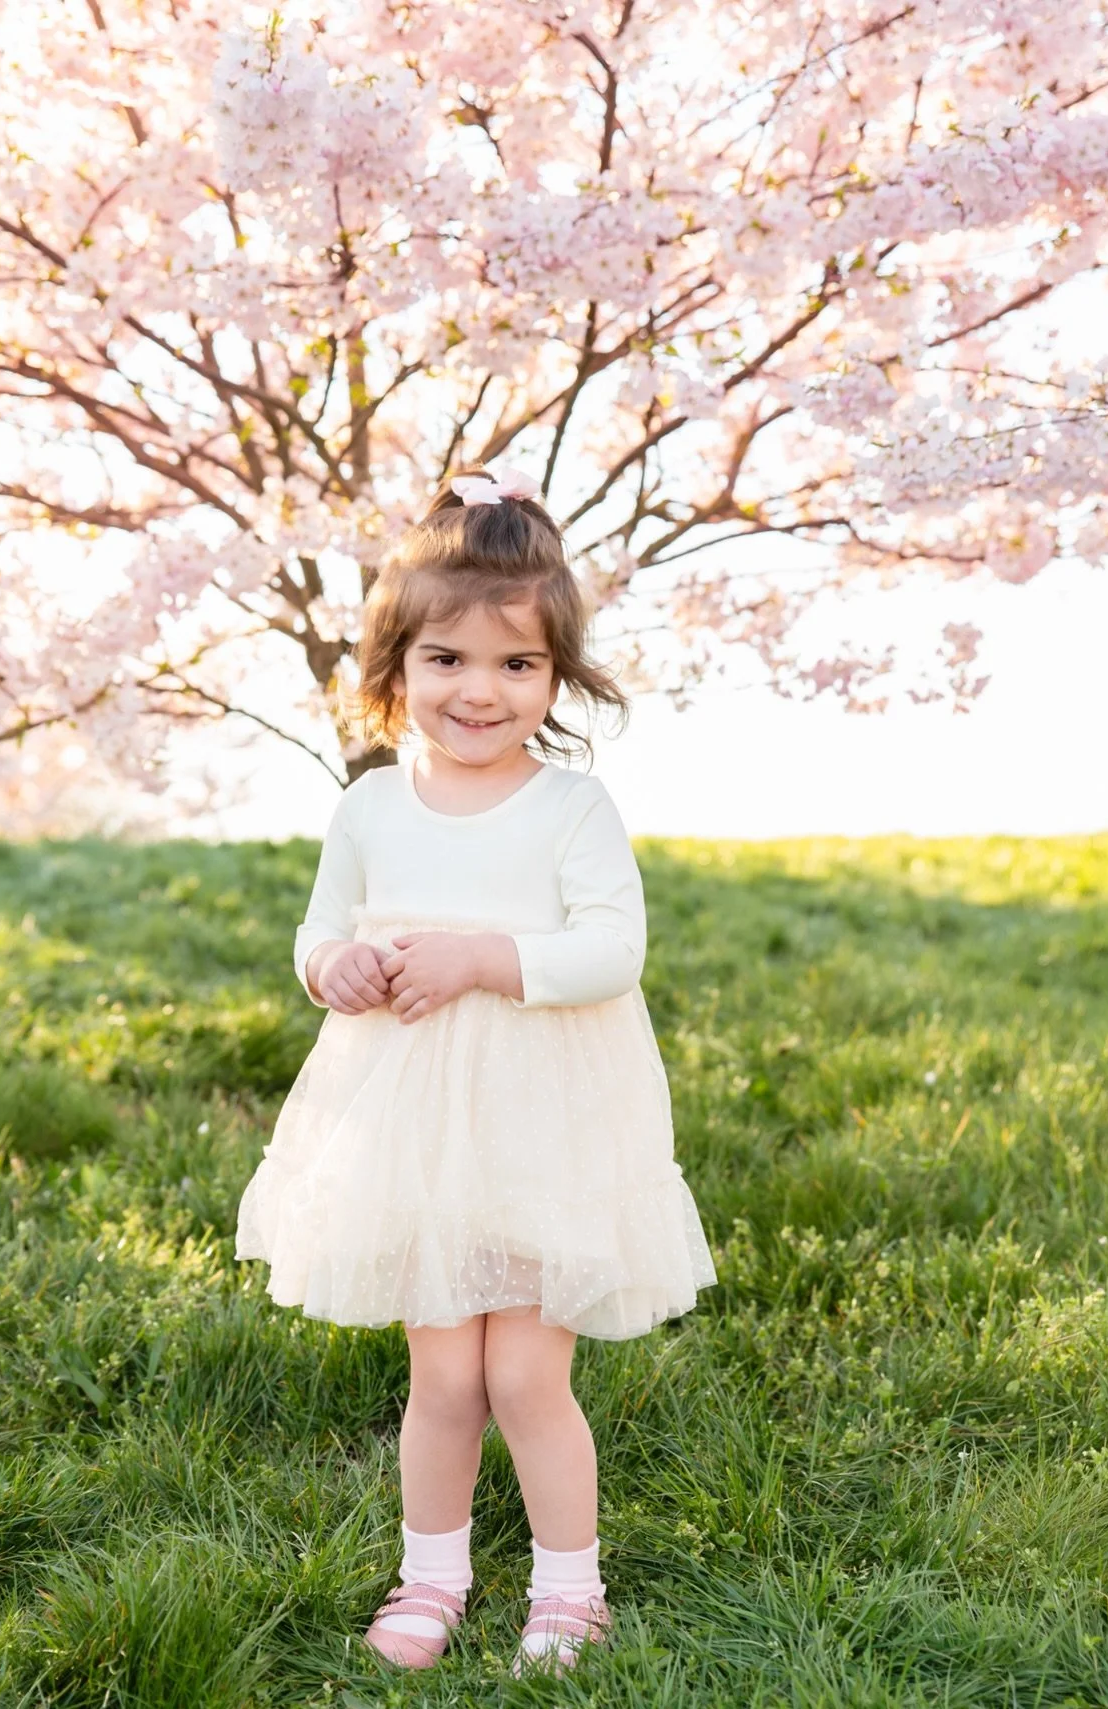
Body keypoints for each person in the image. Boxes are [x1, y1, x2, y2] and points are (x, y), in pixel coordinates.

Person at [235, 461, 718, 1680]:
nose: (481, 690)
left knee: (521, 1372)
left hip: (546, 1117)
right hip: (414, 1121)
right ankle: (432, 1571)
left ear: (556, 677)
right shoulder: (370, 807)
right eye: (447, 658)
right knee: (443, 1371)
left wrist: (482, 956)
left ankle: (570, 1588)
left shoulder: (569, 807)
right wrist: (330, 966)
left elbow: (612, 948)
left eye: (519, 664)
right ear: (394, 666)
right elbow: (319, 928)